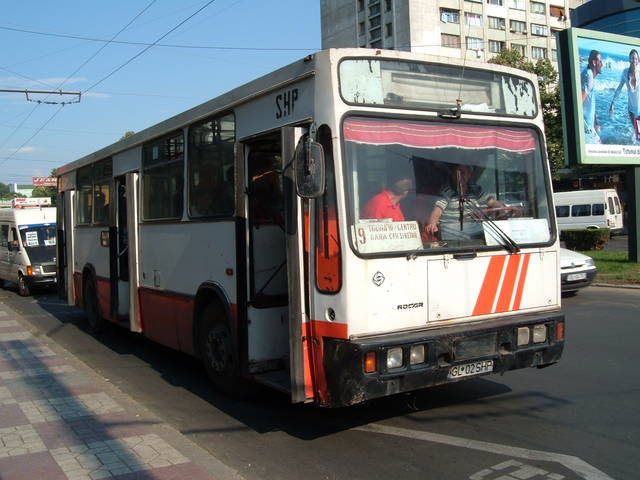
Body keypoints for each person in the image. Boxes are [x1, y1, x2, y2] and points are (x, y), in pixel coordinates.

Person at [425, 164, 506, 242]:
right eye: (458, 173)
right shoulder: (447, 192)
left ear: (469, 175)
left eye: (463, 173)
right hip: (451, 233)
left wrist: (501, 207)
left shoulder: (475, 190)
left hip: (475, 231)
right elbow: (437, 210)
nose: (461, 177)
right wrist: (432, 223)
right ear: (453, 175)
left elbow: (491, 202)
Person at [609, 49, 640, 142]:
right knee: (637, 134)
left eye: (636, 58)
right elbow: (619, 88)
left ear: (638, 60)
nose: (634, 60)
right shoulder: (625, 72)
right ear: (629, 59)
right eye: (632, 58)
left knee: (638, 135)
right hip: (631, 110)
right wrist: (613, 103)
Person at [581, 50, 603, 144]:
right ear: (594, 62)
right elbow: (579, 102)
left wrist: (596, 122)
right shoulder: (588, 75)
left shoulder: (587, 74)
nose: (602, 64)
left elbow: (588, 100)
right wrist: (585, 128)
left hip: (589, 126)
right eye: (600, 61)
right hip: (586, 129)